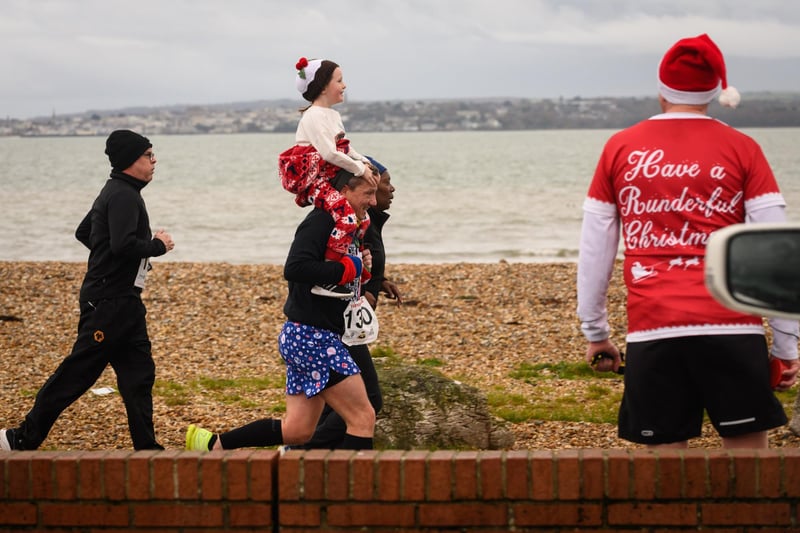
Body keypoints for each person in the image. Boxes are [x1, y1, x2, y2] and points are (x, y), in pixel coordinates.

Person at [577, 34, 800, 449]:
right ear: (716, 93)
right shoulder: (743, 148)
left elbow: (595, 248)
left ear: (661, 89)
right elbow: (778, 249)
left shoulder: (619, 147)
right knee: (751, 464)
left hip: (653, 326)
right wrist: (786, 342)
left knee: (664, 471)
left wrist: (596, 332)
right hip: (733, 326)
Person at [0, 130, 175, 451]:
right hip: (108, 302)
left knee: (139, 375)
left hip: (124, 302)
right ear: (129, 161)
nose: (154, 161)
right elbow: (122, 245)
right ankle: (20, 438)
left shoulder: (117, 191)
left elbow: (87, 232)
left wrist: (108, 258)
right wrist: (157, 246)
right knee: (77, 374)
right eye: (148, 155)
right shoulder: (123, 195)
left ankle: (148, 449)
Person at [185, 170, 378, 451]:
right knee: (363, 417)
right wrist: (350, 267)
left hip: (304, 336)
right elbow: (295, 268)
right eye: (367, 193)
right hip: (313, 337)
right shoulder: (321, 220)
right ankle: (353, 493)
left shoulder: (344, 225)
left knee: (297, 430)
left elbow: (335, 284)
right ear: (345, 190)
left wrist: (363, 268)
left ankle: (212, 444)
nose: (373, 201)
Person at [294, 156, 402, 450]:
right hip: (329, 326)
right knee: (366, 405)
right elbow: (299, 268)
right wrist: (352, 275)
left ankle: (312, 459)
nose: (390, 191)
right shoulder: (329, 220)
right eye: (380, 186)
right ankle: (306, 457)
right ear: (347, 189)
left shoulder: (362, 222)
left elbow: (356, 259)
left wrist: (376, 281)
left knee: (317, 418)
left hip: (344, 324)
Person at [278, 57, 378, 299]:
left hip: (329, 175)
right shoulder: (313, 116)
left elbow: (343, 147)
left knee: (362, 221)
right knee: (345, 216)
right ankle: (332, 274)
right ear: (323, 86)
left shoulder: (332, 115)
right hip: (314, 180)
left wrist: (365, 161)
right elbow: (328, 153)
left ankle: (357, 264)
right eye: (340, 80)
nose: (344, 86)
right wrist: (358, 170)